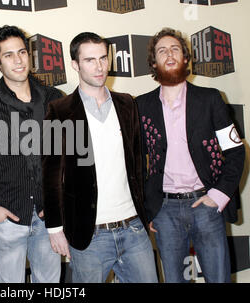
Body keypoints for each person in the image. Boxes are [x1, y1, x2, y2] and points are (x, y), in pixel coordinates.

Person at [42, 32, 158, 283]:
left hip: (134, 228)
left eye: (103, 58)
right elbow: (51, 176)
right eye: (89, 60)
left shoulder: (127, 104)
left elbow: (138, 165)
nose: (99, 66)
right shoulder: (61, 111)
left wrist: (146, 212)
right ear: (75, 65)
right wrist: (54, 229)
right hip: (90, 235)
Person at [135, 28, 245, 283]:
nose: (169, 54)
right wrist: (147, 209)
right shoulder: (141, 106)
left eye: (175, 49)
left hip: (206, 206)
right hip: (165, 211)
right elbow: (136, 163)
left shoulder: (210, 99)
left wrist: (218, 196)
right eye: (162, 51)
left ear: (186, 58)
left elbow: (236, 151)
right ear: (153, 63)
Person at [0, 25, 62, 283]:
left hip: (49, 218)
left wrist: (59, 202)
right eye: (8, 55)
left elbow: (65, 157)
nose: (18, 60)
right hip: (6, 218)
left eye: (22, 52)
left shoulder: (55, 99)